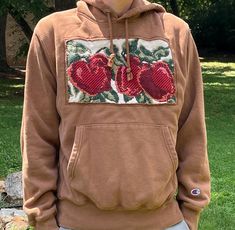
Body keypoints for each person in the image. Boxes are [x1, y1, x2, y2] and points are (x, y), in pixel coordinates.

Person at [20, 0, 211, 229]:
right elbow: (37, 134)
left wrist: (191, 211)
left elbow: (192, 130)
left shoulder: (175, 33)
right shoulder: (53, 32)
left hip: (165, 223)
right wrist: (43, 219)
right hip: (75, 223)